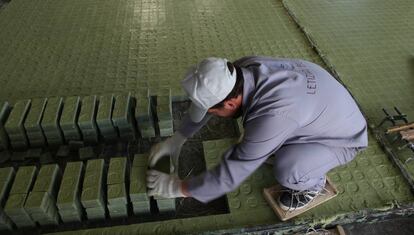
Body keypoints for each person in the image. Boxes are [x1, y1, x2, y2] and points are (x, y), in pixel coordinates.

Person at [146, 56, 367, 210]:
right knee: (257, 141)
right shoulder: (241, 68)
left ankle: (312, 185)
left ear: (231, 103)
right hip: (320, 110)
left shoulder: (274, 115)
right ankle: (284, 146)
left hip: (343, 139)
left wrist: (177, 188)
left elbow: (230, 175)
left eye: (213, 110)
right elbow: (208, 106)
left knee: (288, 170)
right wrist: (177, 139)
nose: (210, 113)